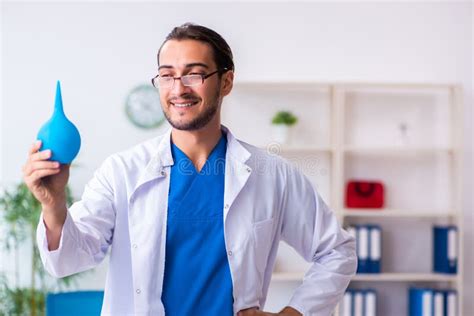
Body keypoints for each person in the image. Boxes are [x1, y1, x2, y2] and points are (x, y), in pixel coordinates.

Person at [23, 23, 357, 316]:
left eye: (194, 74)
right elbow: (67, 262)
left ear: (226, 82)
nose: (178, 88)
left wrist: (295, 313)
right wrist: (53, 206)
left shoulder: (271, 174)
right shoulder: (122, 171)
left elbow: (336, 250)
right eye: (167, 75)